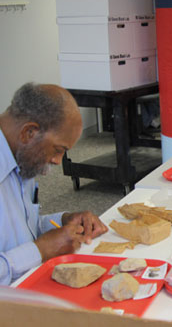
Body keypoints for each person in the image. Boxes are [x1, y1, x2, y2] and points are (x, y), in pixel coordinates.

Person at [0, 83, 108, 285]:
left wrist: (64, 220)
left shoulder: (23, 157)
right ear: (29, 132)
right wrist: (41, 250)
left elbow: (19, 229)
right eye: (57, 150)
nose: (57, 161)